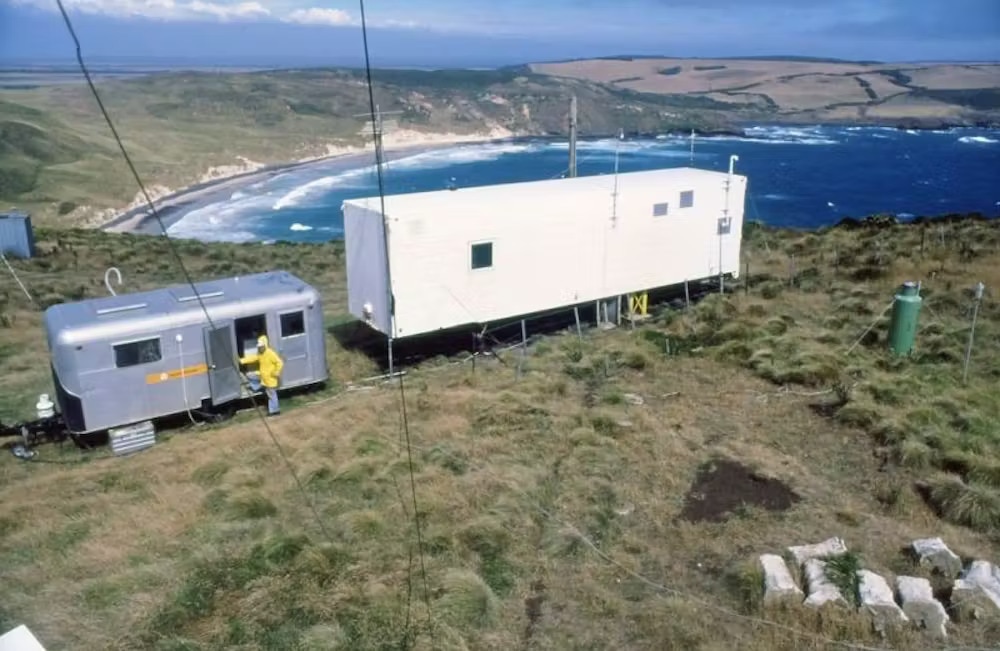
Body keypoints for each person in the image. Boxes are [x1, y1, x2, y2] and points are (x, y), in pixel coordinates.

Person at [246, 335, 283, 416]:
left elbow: (279, 362)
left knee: (271, 395)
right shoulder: (260, 353)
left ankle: (274, 411)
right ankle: (257, 387)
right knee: (249, 375)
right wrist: (241, 361)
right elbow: (253, 358)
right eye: (259, 347)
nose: (260, 348)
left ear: (265, 345)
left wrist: (276, 371)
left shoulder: (270, 353)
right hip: (264, 377)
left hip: (270, 379)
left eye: (261, 346)